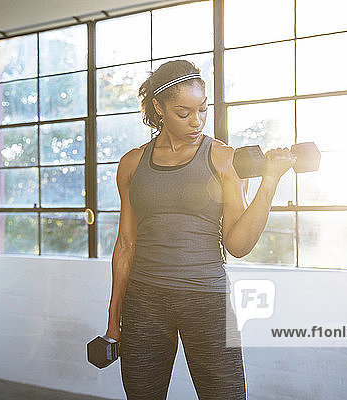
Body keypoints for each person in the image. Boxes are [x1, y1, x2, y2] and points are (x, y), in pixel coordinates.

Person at [105, 60, 295, 400]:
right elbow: (125, 244)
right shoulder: (132, 163)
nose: (197, 121)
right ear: (158, 107)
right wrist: (113, 315)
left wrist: (270, 181)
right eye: (183, 112)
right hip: (144, 299)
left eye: (202, 110)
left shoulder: (222, 158)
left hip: (207, 299)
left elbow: (238, 244)